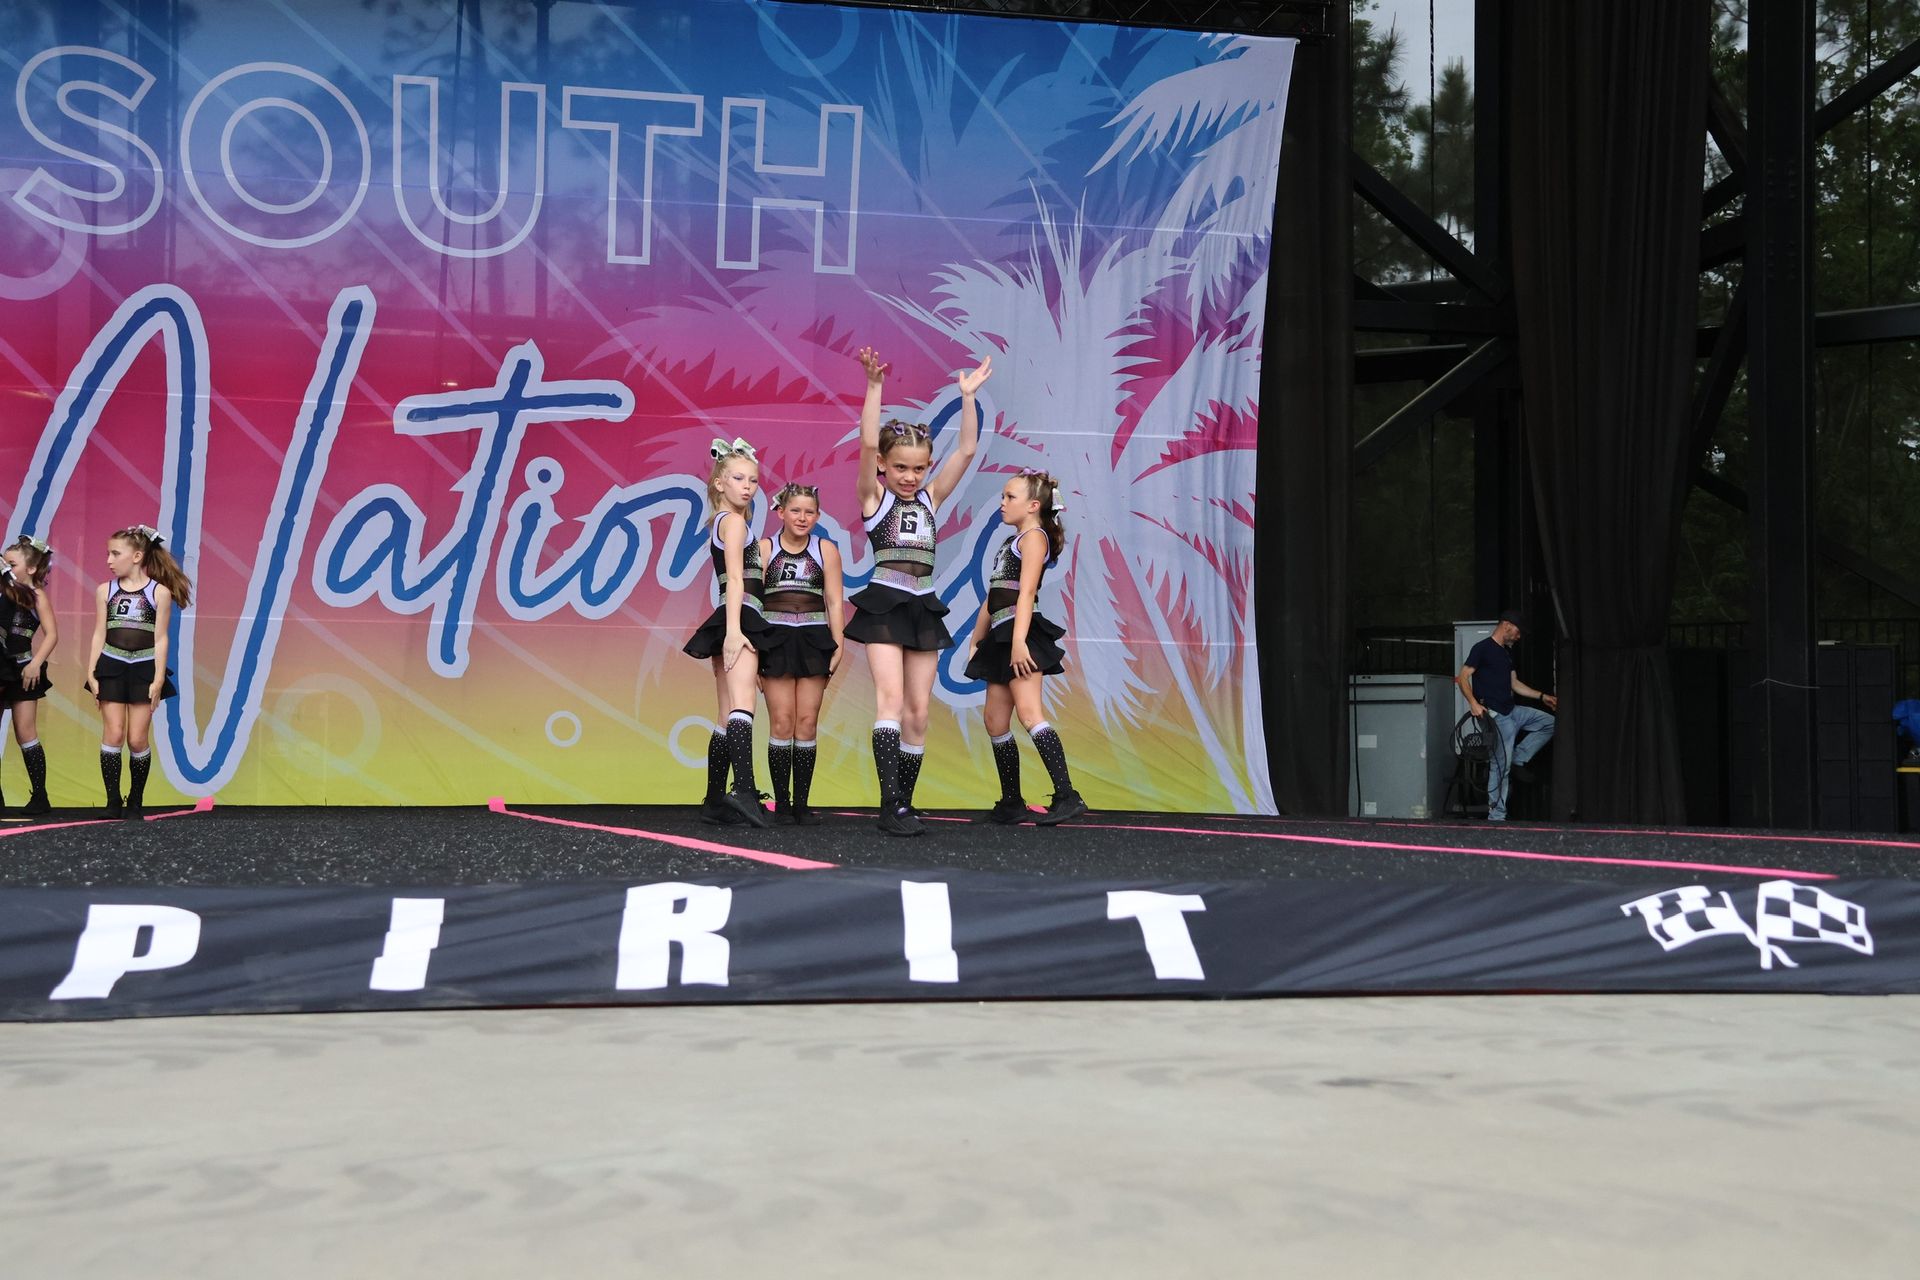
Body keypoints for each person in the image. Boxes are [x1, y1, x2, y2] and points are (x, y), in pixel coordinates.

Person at [844, 346, 992, 836]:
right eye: (901, 467)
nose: (911, 477)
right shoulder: (875, 498)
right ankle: (890, 805)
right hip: (885, 601)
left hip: (922, 605)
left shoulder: (931, 498)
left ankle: (905, 801)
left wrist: (967, 399)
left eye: (919, 468)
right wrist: (874, 387)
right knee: (889, 699)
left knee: (920, 711)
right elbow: (867, 445)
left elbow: (967, 451)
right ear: (885, 466)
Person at [964, 470, 1086, 825]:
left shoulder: (1035, 538)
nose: (1002, 503)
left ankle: (1067, 795)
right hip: (1002, 635)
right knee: (994, 719)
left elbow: (1026, 593)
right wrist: (977, 640)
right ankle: (1012, 801)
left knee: (1030, 713)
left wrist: (1019, 643)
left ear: (1034, 506)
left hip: (1022, 635)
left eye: (1010, 497)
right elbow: (994, 596)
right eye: (1003, 496)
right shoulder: (1010, 542)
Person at [681, 438, 771, 829]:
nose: (747, 486)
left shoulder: (726, 521)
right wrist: (734, 632)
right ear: (719, 483)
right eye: (738, 478)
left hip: (732, 614)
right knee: (743, 703)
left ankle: (715, 800)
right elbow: (735, 578)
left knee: (725, 711)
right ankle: (745, 791)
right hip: (740, 616)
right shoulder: (733, 522)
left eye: (752, 479)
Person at [84, 525, 192, 818]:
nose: (109, 559)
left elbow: (160, 637)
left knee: (136, 739)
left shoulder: (160, 592)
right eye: (108, 553)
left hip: (143, 668)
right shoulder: (105, 590)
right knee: (114, 733)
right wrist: (92, 671)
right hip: (112, 665)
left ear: (137, 556)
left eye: (115, 553)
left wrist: (158, 679)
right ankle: (112, 801)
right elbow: (98, 633)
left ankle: (136, 799)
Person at [756, 483, 845, 824]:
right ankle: (781, 802)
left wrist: (837, 644)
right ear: (781, 512)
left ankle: (802, 806)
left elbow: (835, 601)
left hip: (813, 640)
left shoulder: (827, 550)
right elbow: (753, 601)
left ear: (818, 516)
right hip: (774, 640)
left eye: (809, 512)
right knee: (782, 722)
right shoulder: (764, 549)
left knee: (806, 723)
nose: (802, 517)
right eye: (795, 510)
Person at [1456, 611, 1557, 822]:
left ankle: (1519, 756)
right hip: (1495, 715)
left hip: (1512, 711)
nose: (1519, 637)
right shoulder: (1482, 648)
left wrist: (1542, 696)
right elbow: (1463, 677)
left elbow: (1514, 684)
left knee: (1551, 723)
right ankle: (1497, 816)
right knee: (1500, 765)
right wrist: (1473, 703)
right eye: (1518, 632)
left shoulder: (1506, 653)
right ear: (1507, 625)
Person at [1, 536, 57, 815]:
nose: (6, 567)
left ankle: (40, 796)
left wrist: (36, 663)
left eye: (11, 564)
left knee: (26, 732)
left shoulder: (36, 596)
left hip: (23, 668)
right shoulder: (3, 591)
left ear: (31, 568)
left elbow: (52, 634)